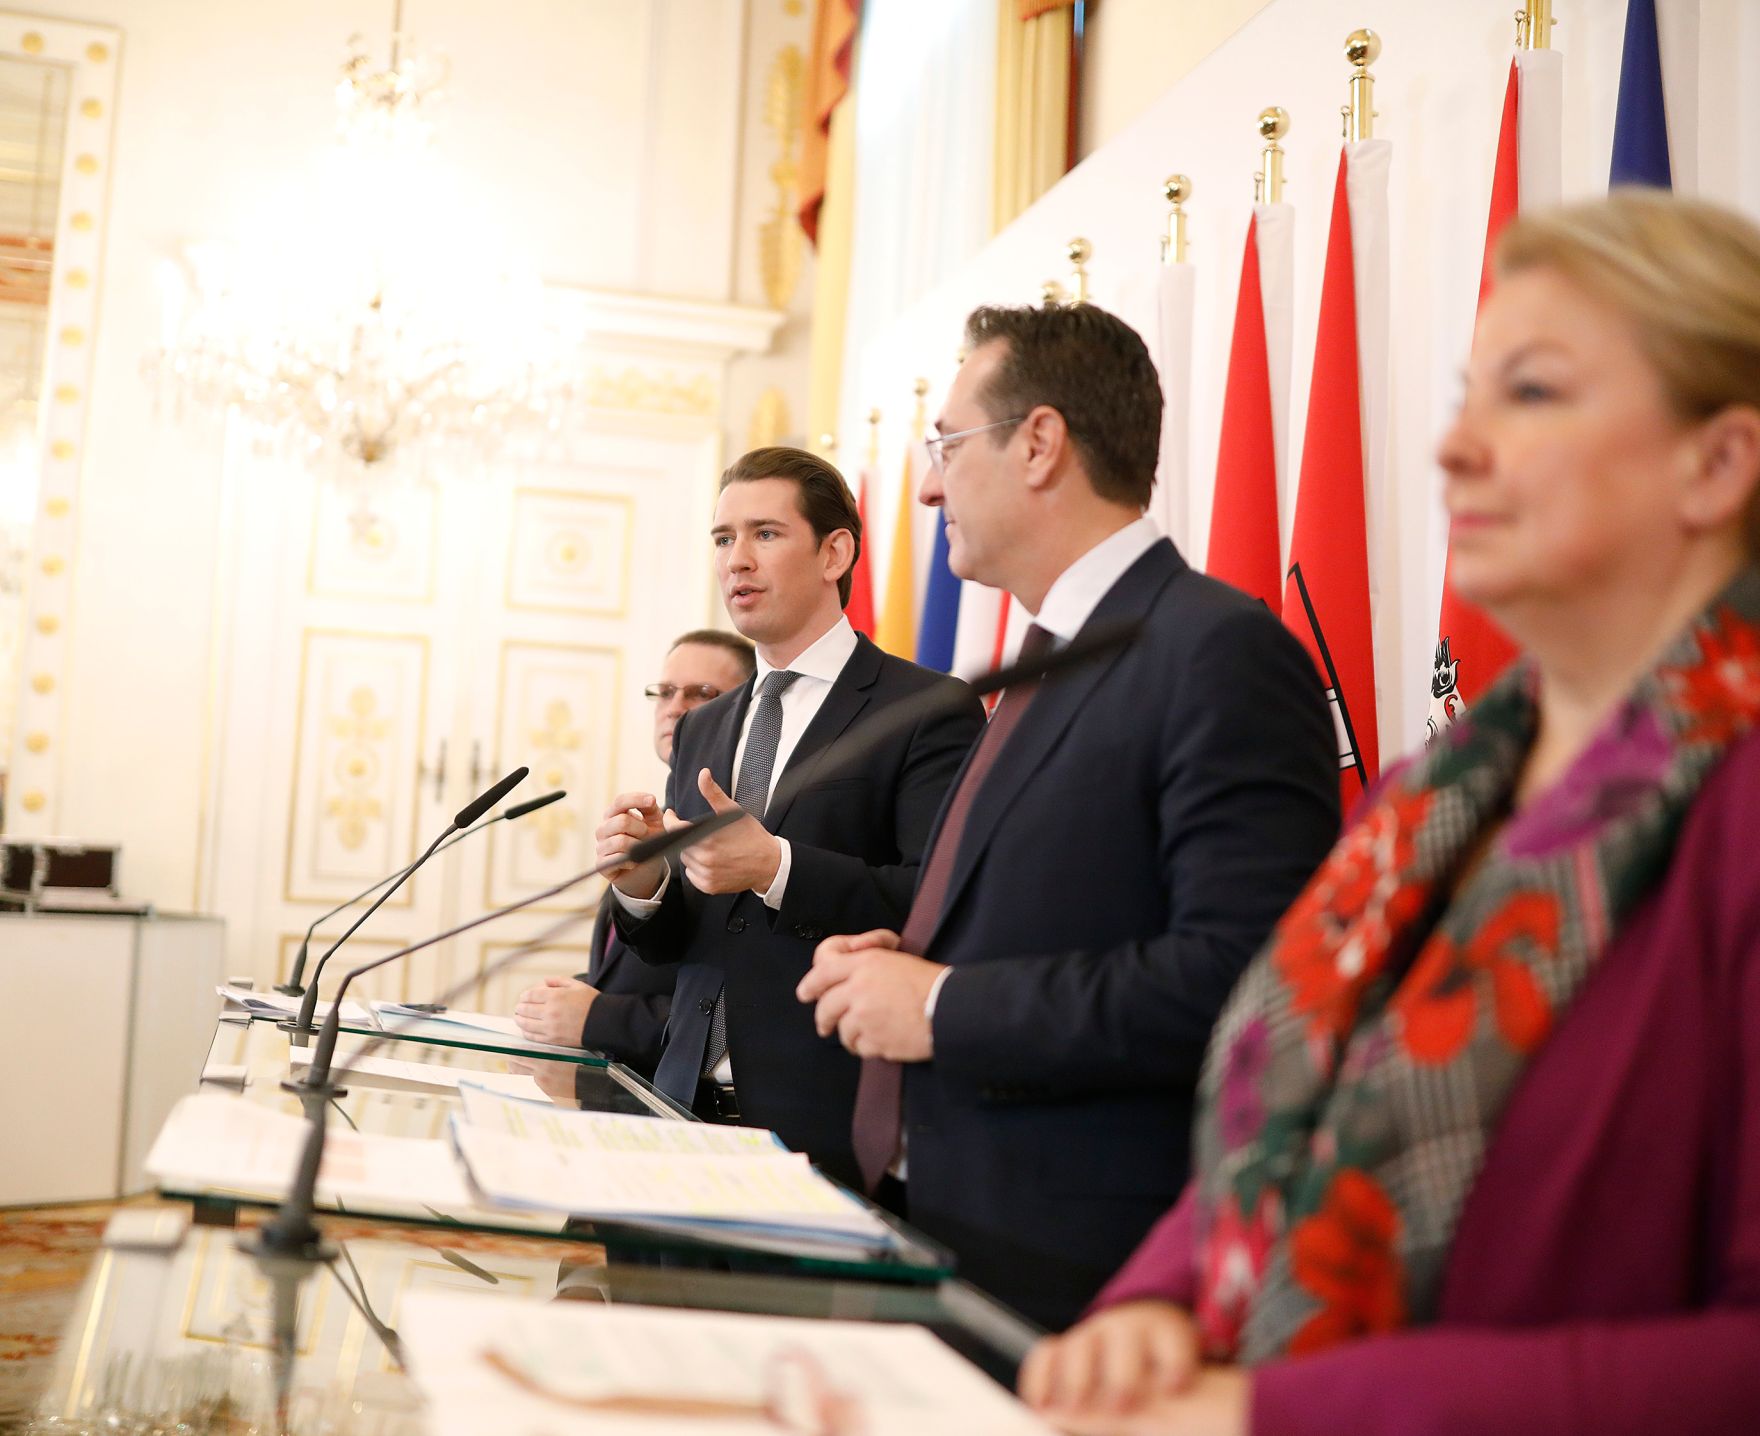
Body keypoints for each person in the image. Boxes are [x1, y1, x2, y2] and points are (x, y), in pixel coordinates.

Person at [1017, 192, 1760, 1436]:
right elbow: (1301, 1115)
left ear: (1716, 462)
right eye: (1466, 394)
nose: (1453, 447)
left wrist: (1282, 1410)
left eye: (1528, 393)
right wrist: (1162, 1297)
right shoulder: (1438, 790)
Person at [797, 302, 1341, 1328]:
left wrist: (943, 1001)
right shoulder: (1052, 659)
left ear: (1038, 443)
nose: (922, 484)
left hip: (1080, 1274)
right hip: (940, 1225)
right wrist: (910, 951)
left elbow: (1245, 981)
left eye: (946, 445)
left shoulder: (1216, 651)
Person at [597, 446, 985, 1184]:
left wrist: (777, 867)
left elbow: (941, 905)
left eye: (764, 534)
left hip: (823, 1122)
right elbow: (684, 941)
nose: (736, 561)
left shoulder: (925, 709)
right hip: (675, 1106)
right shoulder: (707, 728)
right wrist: (645, 884)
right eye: (722, 538)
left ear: (835, 550)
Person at [512, 629, 755, 1078]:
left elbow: (729, 1014)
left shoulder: (745, 833)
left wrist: (598, 1017)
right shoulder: (656, 815)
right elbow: (653, 968)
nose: (675, 707)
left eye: (701, 693)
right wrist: (570, 997)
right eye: (664, 692)